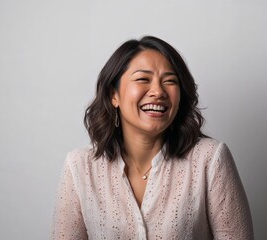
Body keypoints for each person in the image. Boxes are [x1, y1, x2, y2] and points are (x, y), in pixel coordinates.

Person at [51, 36, 253, 239]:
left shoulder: (210, 159)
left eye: (170, 81)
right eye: (142, 79)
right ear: (114, 95)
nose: (158, 91)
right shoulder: (79, 166)